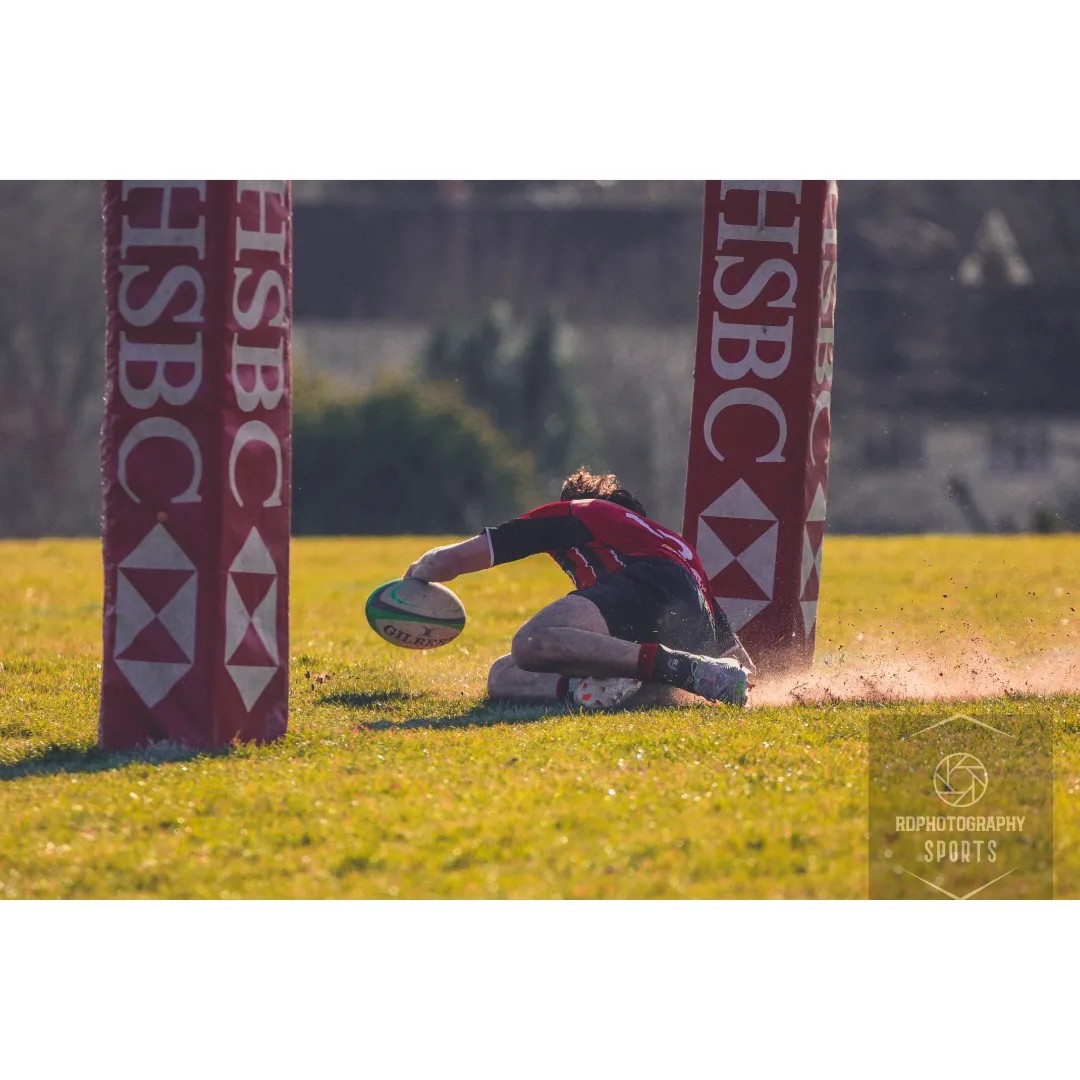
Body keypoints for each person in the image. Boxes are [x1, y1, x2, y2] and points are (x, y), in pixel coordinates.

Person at [404, 467, 754, 710]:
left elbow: (450, 562)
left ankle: (670, 669)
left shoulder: (579, 511)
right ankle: (599, 689)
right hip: (687, 632)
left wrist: (418, 573)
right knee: (503, 675)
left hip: (646, 588)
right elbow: (740, 661)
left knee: (530, 643)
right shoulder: (679, 548)